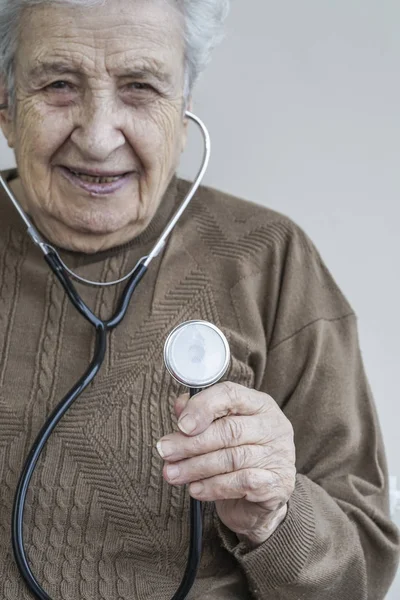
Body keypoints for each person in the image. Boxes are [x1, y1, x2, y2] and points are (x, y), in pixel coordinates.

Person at [0, 0, 398, 598]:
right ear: (6, 108)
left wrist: (274, 518)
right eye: (59, 84)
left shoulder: (270, 260)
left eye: (139, 87)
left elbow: (362, 574)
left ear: (182, 114)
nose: (100, 136)